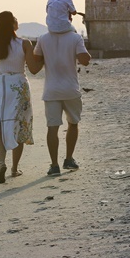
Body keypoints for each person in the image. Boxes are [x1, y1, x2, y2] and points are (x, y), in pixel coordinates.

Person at [0, 11, 43, 184]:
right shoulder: (24, 43)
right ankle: (15, 168)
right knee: (19, 125)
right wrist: (44, 58)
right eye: (15, 19)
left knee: (0, 124)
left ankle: (2, 163)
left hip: (1, 85)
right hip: (18, 84)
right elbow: (33, 69)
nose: (17, 20)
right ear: (11, 24)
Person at [32, 25, 91, 176]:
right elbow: (85, 61)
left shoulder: (43, 39)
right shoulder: (75, 37)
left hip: (51, 90)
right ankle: (69, 159)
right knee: (73, 123)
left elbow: (34, 66)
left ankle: (54, 165)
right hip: (70, 89)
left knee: (52, 128)